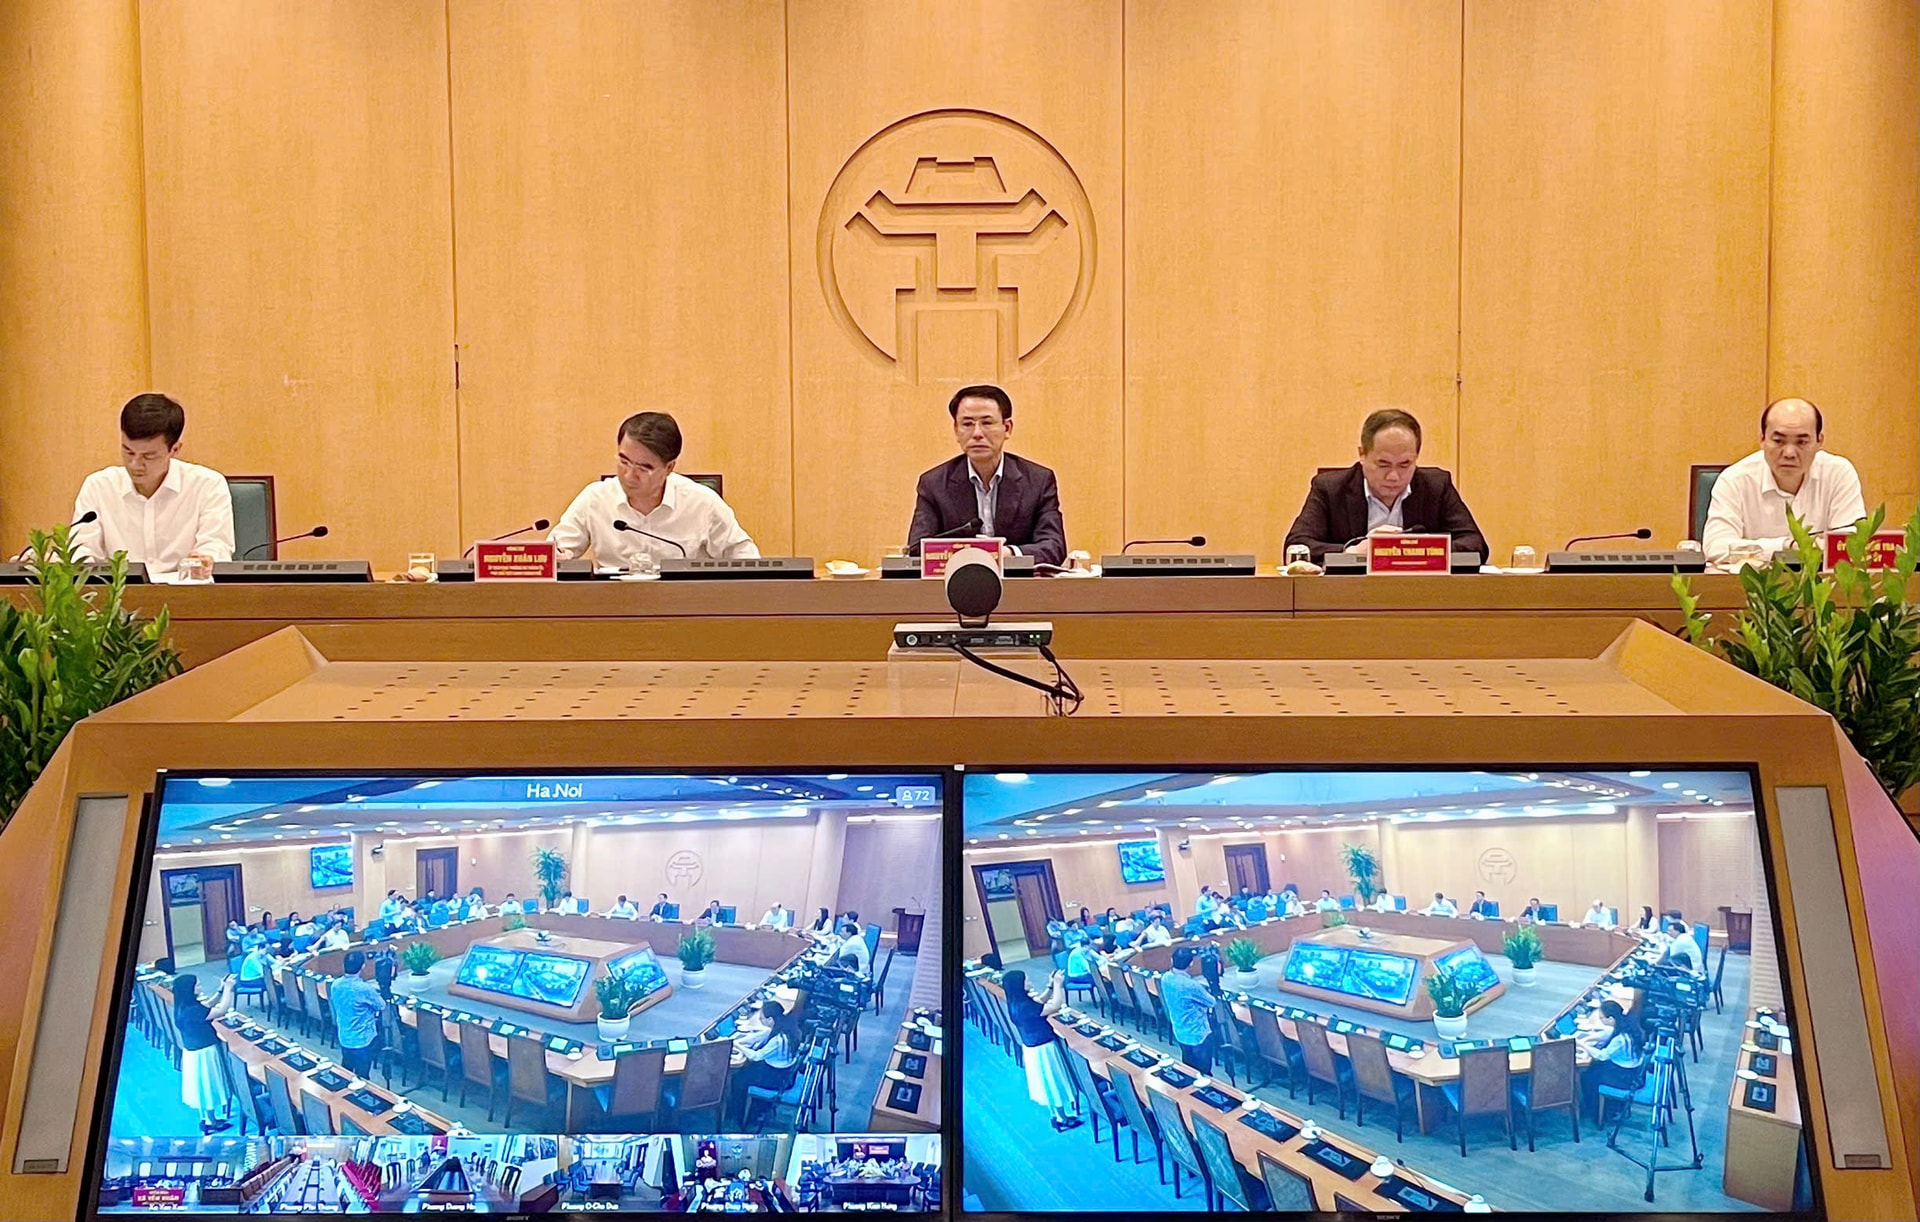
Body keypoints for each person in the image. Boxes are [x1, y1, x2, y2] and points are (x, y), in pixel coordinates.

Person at [551, 411, 758, 566]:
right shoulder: (595, 499)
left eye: (644, 468)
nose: (629, 475)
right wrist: (558, 557)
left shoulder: (702, 504)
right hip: (614, 605)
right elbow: (554, 554)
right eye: (624, 461)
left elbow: (746, 561)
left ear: (669, 467)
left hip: (684, 605)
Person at [1283, 408, 1489, 562]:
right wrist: (1353, 551)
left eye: (1405, 464)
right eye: (1383, 464)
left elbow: (1475, 544)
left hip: (1421, 594)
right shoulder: (1330, 488)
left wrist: (1414, 549)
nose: (1393, 476)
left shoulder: (1436, 486)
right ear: (1362, 454)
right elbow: (1297, 546)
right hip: (1349, 596)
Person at [69, 393, 234, 580]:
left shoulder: (207, 485)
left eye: (148, 456)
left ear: (175, 449)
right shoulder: (98, 487)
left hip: (185, 593)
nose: (135, 464)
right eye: (128, 451)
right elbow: (82, 554)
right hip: (119, 594)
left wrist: (205, 562)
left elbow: (216, 549)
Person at [905, 384, 1066, 566]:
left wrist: (1008, 554)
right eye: (967, 424)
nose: (977, 433)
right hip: (957, 581)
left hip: (1019, 582)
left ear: (1007, 428)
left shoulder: (1038, 481)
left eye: (987, 423)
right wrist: (971, 554)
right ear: (956, 430)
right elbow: (917, 551)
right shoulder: (934, 484)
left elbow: (1054, 547)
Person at [1703, 397, 1866, 567]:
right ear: (1762, 439)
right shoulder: (1734, 480)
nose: (1789, 453)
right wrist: (1786, 546)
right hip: (1753, 583)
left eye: (1802, 442)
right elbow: (1716, 547)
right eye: (1778, 441)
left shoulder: (1838, 473)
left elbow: (1852, 543)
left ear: (1819, 441)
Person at [1000, 968, 1081, 1131]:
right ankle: (1062, 1118)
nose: (1029, 981)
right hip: (1043, 1049)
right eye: (1026, 980)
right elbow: (1054, 1006)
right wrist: (1058, 985)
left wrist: (1050, 986)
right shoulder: (1024, 1006)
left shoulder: (1017, 1002)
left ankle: (1057, 1115)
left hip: (1032, 1048)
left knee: (1047, 1084)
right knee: (1053, 1082)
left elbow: (1040, 1002)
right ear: (1019, 984)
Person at [173, 972, 237, 1132]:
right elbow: (221, 1010)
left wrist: (220, 991)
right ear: (189, 989)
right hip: (204, 1053)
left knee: (202, 1088)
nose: (200, 986)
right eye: (197, 985)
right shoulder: (192, 1010)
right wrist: (228, 989)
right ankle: (211, 1121)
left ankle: (209, 1118)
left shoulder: (183, 1006)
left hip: (193, 1052)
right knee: (208, 1086)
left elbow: (207, 1006)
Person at [730, 1000, 804, 1127]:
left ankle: (737, 1118)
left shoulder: (778, 1040)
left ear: (770, 1020)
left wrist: (736, 1045)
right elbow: (760, 1035)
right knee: (746, 1070)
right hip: (782, 1072)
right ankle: (753, 1110)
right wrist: (740, 1041)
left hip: (778, 1079)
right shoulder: (784, 1027)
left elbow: (756, 1056)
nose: (760, 1020)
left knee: (738, 1079)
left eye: (761, 1018)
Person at [1577, 1000, 1646, 1119]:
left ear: (1611, 1019)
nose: (1601, 1021)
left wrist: (1582, 1045)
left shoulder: (1619, 1039)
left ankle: (1597, 1112)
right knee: (1594, 1069)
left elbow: (1602, 1056)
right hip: (1632, 1070)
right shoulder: (1627, 1026)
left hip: (1625, 1077)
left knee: (1588, 1077)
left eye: (1602, 1018)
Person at [329, 950, 387, 1079]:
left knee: (346, 1075)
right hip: (362, 1041)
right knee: (362, 1077)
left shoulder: (335, 985)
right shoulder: (364, 989)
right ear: (363, 966)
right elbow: (381, 1005)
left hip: (344, 1036)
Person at [1160, 947, 1218, 1073]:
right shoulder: (1191, 985)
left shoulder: (1165, 978)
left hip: (1179, 1030)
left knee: (1188, 1070)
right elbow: (1212, 1002)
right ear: (1191, 963)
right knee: (1203, 1072)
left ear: (1172, 960)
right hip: (1198, 1034)